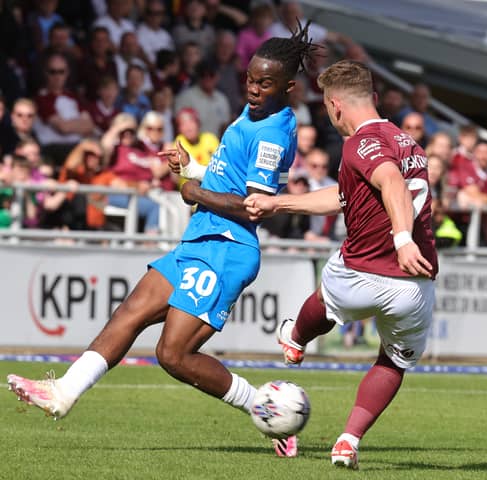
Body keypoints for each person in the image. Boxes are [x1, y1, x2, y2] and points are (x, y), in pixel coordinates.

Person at [7, 28, 316, 458]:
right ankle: (63, 392)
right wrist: (193, 170)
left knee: (173, 354)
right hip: (202, 238)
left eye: (264, 83)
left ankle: (265, 411)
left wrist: (196, 194)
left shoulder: (272, 134)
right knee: (130, 311)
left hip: (227, 248)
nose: (253, 88)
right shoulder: (252, 117)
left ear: (288, 88)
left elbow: (254, 207)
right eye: (249, 78)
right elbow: (229, 179)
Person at [245, 59, 438, 469]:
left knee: (327, 300)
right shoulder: (409, 143)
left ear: (335, 106)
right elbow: (346, 195)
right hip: (413, 286)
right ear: (373, 98)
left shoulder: (360, 144)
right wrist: (278, 202)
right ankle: (348, 440)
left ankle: (296, 339)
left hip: (362, 271)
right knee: (393, 361)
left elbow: (390, 182)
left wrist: (402, 239)